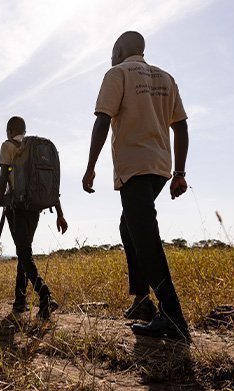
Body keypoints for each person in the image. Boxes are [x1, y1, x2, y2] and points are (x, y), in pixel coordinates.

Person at [82, 31, 192, 341]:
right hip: (160, 168)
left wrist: (90, 167)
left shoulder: (117, 73)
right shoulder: (165, 77)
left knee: (145, 236)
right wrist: (180, 171)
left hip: (134, 168)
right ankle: (142, 300)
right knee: (128, 227)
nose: (111, 58)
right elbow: (181, 126)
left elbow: (102, 120)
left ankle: (172, 314)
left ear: (119, 50)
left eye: (111, 52)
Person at [0, 116, 68, 320]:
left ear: (9, 130)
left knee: (24, 253)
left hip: (16, 207)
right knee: (24, 252)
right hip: (35, 207)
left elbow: (3, 179)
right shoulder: (36, 150)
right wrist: (59, 214)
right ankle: (20, 301)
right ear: (24, 130)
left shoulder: (8, 146)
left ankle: (45, 295)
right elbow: (49, 186)